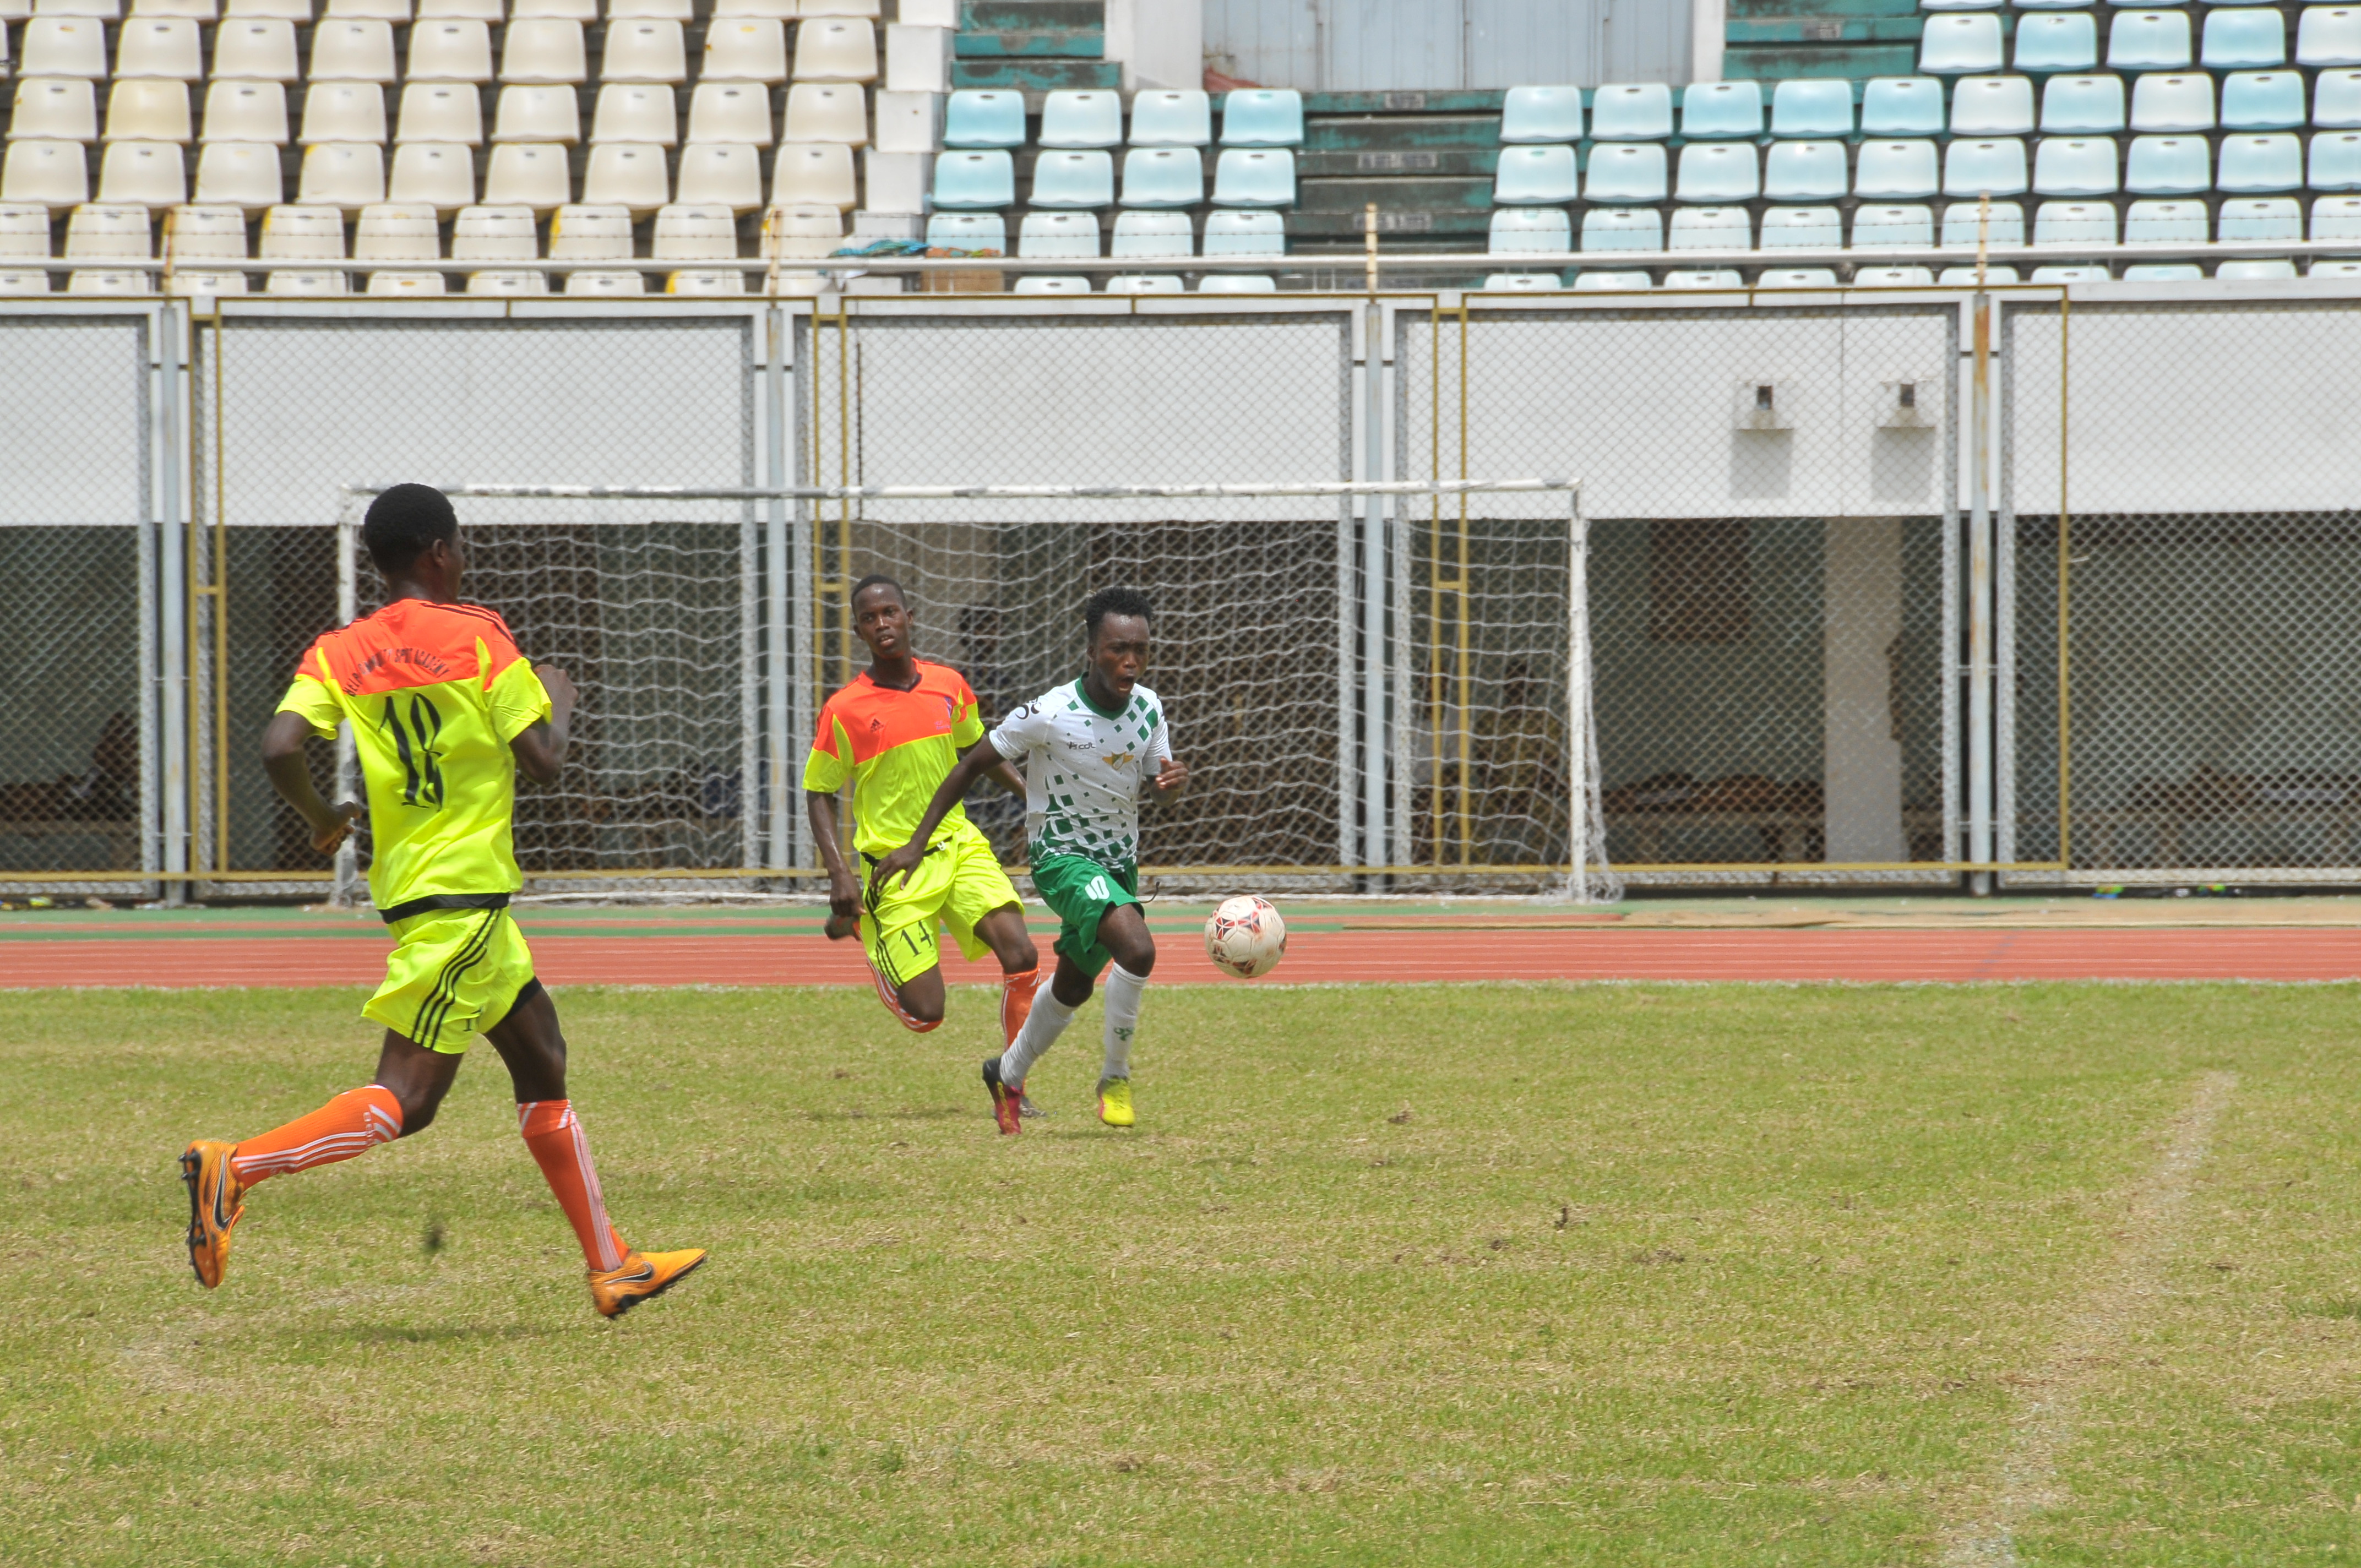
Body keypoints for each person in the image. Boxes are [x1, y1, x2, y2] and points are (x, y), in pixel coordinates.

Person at [178, 484, 704, 1320]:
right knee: (409, 1100)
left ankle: (614, 1267)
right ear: (438, 552)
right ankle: (234, 1166)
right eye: (459, 545)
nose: (463, 558)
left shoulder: (340, 649)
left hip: (450, 901)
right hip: (458, 901)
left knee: (543, 1059)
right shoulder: (479, 634)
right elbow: (543, 760)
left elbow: (280, 745)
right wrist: (559, 693)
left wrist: (322, 817)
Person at [877, 586, 1187, 1134]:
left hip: (1118, 864)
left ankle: (1006, 1072)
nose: (1130, 661)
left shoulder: (1149, 708)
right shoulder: (1049, 712)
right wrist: (917, 842)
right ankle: (1115, 1077)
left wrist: (1169, 788)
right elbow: (969, 765)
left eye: (1140, 649)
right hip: (1061, 859)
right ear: (1091, 650)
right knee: (1137, 948)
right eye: (1117, 649)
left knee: (1073, 987)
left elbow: (1158, 787)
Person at [804, 575, 1045, 1053]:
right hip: (895, 867)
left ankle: (1012, 1077)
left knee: (1022, 954)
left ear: (909, 618)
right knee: (927, 1013)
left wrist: (1031, 797)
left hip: (959, 846)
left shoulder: (948, 685)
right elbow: (818, 791)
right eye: (869, 618)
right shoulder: (844, 710)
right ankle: (864, 923)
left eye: (889, 613)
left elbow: (977, 748)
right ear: (858, 631)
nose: (881, 624)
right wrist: (839, 874)